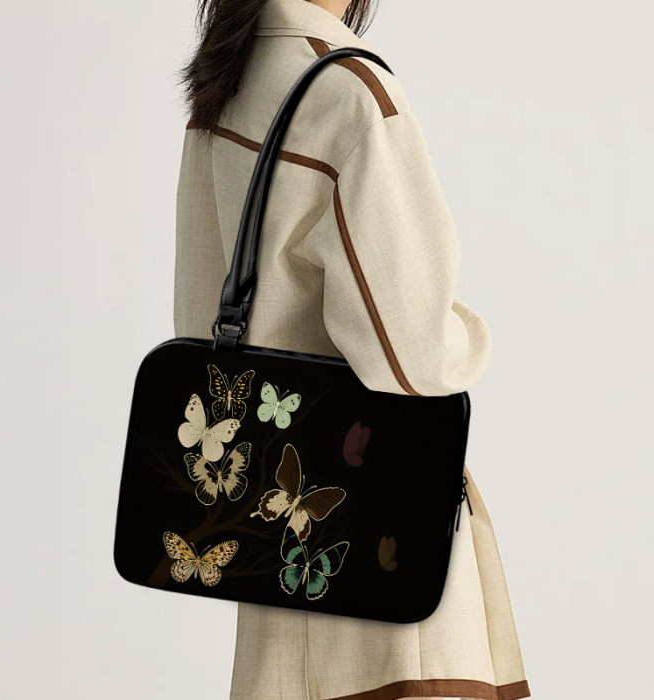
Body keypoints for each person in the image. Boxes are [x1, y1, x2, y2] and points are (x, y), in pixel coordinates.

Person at [174, 1, 531, 698]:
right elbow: (413, 356)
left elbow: (202, 323)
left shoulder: (230, 76)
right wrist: (470, 337)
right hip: (380, 540)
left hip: (276, 540)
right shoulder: (349, 93)